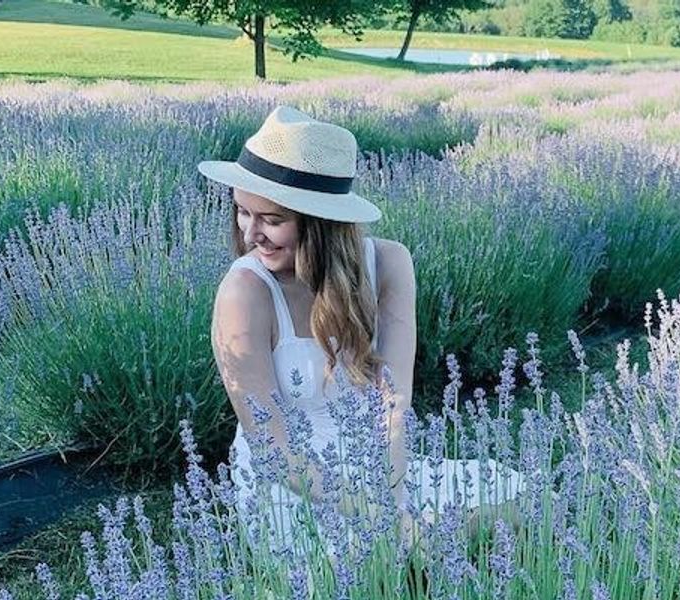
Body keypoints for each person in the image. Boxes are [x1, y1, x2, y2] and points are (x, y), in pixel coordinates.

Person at [201, 105, 525, 562]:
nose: (251, 233)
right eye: (241, 212)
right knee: (358, 559)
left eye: (271, 220)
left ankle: (422, 550)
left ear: (321, 223)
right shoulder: (245, 291)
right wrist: (380, 518)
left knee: (518, 497)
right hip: (292, 482)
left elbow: (393, 404)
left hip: (375, 464)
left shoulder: (390, 264)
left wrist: (392, 501)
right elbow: (273, 449)